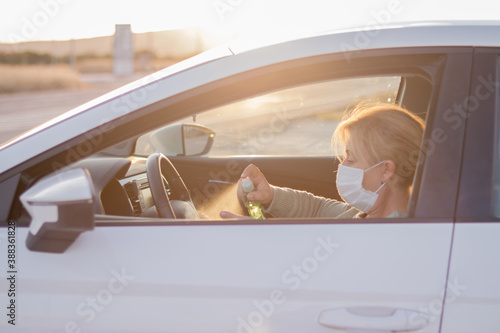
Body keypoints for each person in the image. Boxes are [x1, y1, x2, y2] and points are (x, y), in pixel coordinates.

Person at [220, 103, 425, 219]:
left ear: (386, 170)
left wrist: (254, 235)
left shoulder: (385, 239)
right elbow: (317, 208)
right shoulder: (366, 213)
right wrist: (270, 196)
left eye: (351, 159)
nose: (342, 166)